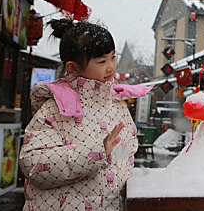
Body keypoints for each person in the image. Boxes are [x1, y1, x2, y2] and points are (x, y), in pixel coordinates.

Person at [20, 19, 150, 210]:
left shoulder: (116, 105)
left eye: (113, 57)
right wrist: (96, 153)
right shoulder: (55, 108)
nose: (111, 67)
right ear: (73, 67)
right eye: (102, 61)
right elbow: (34, 166)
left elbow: (123, 158)